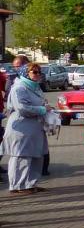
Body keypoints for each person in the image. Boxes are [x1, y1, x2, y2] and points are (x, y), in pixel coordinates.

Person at [4, 63, 49, 194]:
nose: (38, 74)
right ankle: (18, 186)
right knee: (21, 156)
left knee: (36, 155)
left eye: (39, 72)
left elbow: (40, 102)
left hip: (35, 128)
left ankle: (31, 184)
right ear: (25, 73)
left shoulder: (35, 87)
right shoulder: (19, 88)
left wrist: (47, 108)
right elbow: (22, 108)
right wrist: (42, 109)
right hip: (22, 128)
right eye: (34, 72)